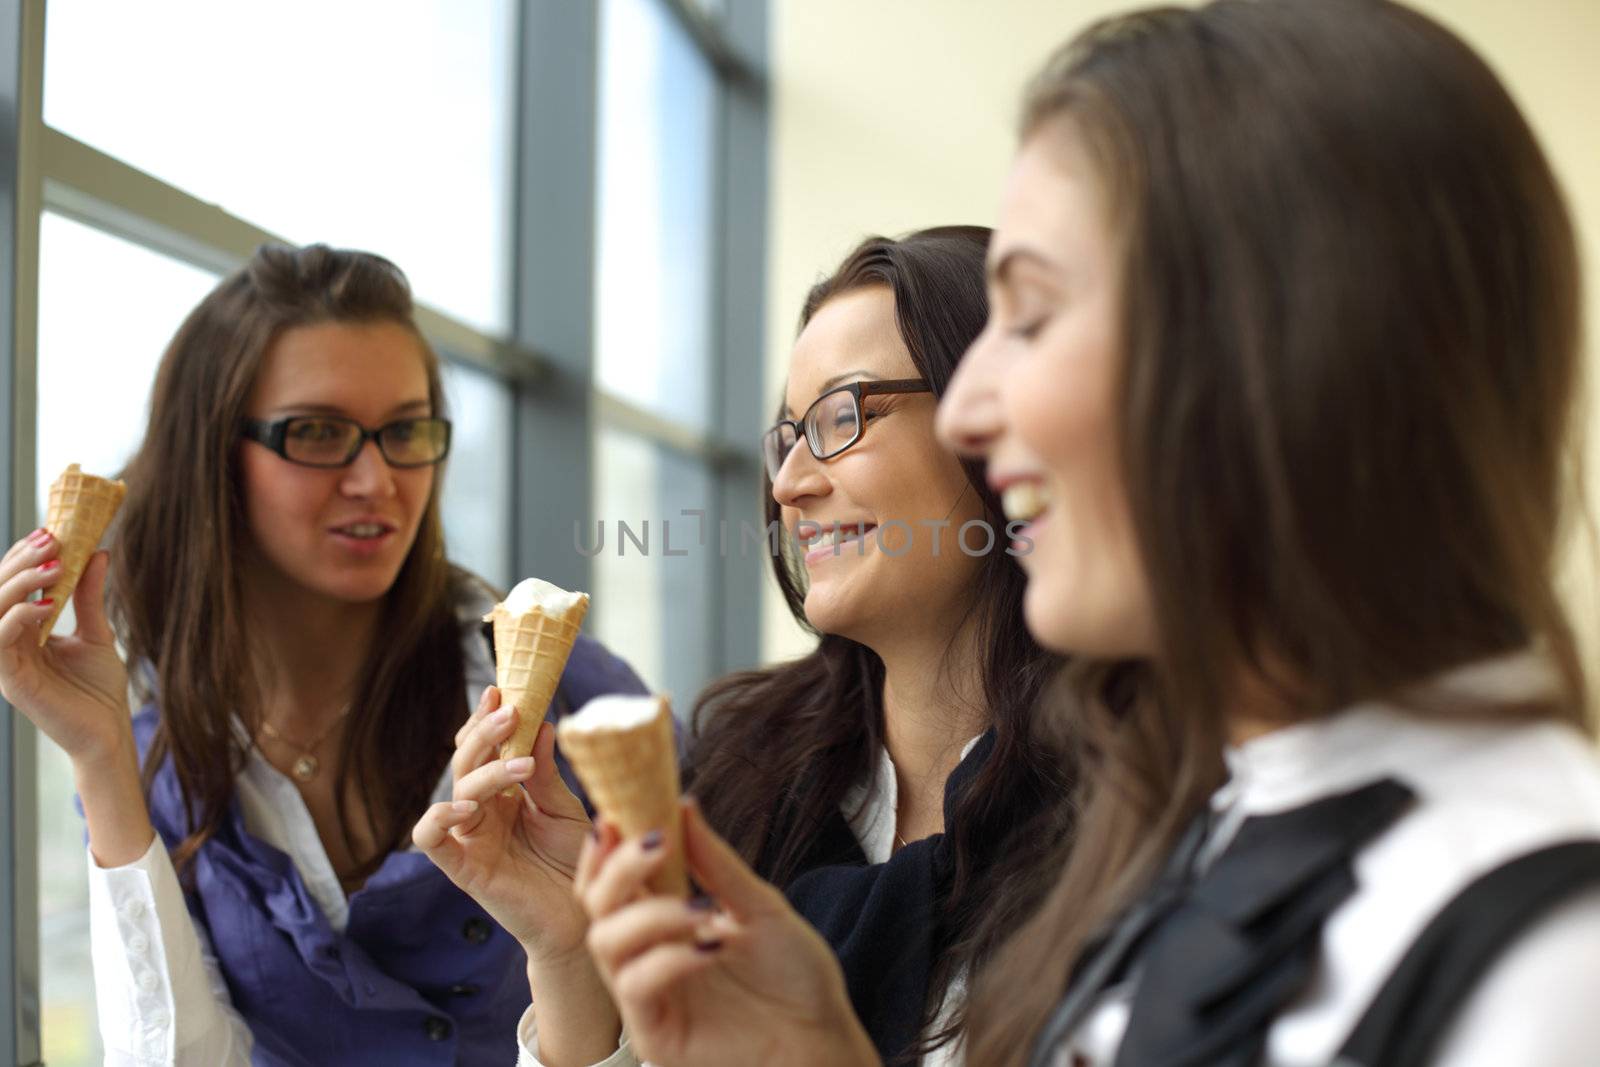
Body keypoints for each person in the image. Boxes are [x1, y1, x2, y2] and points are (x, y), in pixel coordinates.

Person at [563, 2, 1600, 1066]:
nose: (976, 411)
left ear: (1272, 345)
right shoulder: (1230, 821)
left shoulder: (1540, 952)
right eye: (790, 431)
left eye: (1036, 315)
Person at [413, 226, 1074, 1066]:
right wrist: (572, 949)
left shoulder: (1134, 811)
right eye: (789, 435)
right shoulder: (739, 781)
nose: (792, 482)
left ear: (995, 420)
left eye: (844, 416)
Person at [0, 244, 647, 1065]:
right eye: (318, 432)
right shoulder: (155, 755)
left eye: (404, 429)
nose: (376, 478)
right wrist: (96, 756)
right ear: (214, 460)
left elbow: (695, 1021)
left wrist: (566, 953)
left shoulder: (579, 708)